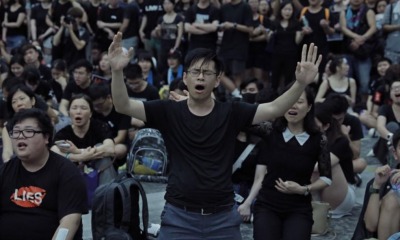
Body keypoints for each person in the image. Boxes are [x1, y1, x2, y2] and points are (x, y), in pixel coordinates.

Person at [109, 31, 322, 239]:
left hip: (223, 218)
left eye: (207, 72)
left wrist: (300, 83)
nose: (201, 76)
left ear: (218, 80)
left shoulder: (232, 112)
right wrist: (117, 72)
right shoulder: (167, 110)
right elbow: (122, 105)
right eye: (195, 71)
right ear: (185, 77)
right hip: (178, 217)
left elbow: (274, 109)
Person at [238, 87, 331, 240]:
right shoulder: (271, 131)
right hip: (267, 205)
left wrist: (304, 189)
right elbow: (241, 119)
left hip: (299, 208)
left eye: (299, 101)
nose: (293, 105)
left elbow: (327, 178)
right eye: (289, 101)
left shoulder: (318, 139)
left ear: (308, 107)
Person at [0, 108, 88, 239]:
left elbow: (70, 221)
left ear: (46, 137)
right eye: (16, 132)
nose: (20, 136)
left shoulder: (67, 172)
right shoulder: (5, 171)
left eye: (29, 131)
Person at [51, 94, 117, 185]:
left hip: (98, 170)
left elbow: (110, 149)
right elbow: (53, 151)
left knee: (103, 154)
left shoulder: (100, 126)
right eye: (74, 108)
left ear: (90, 113)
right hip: (73, 174)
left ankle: (106, 194)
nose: (78, 111)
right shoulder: (64, 132)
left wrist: (78, 151)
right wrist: (78, 157)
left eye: (83, 108)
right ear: (69, 112)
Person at [352, 129, 400, 240]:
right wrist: (377, 185)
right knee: (391, 199)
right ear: (395, 153)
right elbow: (370, 226)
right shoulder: (386, 180)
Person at [313, 102, 356, 218]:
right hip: (318, 190)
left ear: (326, 126)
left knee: (325, 165)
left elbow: (319, 166)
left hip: (343, 193)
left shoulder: (340, 141)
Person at [2, 84, 58, 162]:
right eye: (14, 102)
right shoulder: (8, 127)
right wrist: (8, 164)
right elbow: (7, 152)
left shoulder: (45, 122)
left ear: (32, 101)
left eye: (22, 99)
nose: (19, 104)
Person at [88, 83, 130, 170]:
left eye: (99, 105)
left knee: (118, 150)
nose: (96, 108)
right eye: (94, 106)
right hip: (96, 143)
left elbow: (121, 137)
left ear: (108, 97)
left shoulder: (122, 110)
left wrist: (104, 147)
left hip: (117, 143)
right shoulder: (93, 111)